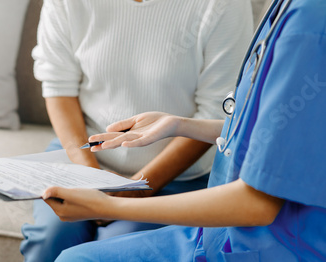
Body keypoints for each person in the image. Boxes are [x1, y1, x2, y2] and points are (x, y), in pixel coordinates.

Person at [42, 0, 326, 260]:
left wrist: (111, 205)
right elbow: (270, 132)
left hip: (259, 241)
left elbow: (260, 202)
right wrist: (180, 125)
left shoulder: (308, 26)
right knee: (55, 243)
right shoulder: (288, 9)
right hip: (224, 230)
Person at [20, 0, 253, 260]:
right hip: (80, 158)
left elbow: (216, 111)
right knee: (49, 240)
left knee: (116, 245)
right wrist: (91, 178)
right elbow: (58, 87)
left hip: (179, 176)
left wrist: (134, 190)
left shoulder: (223, 5)